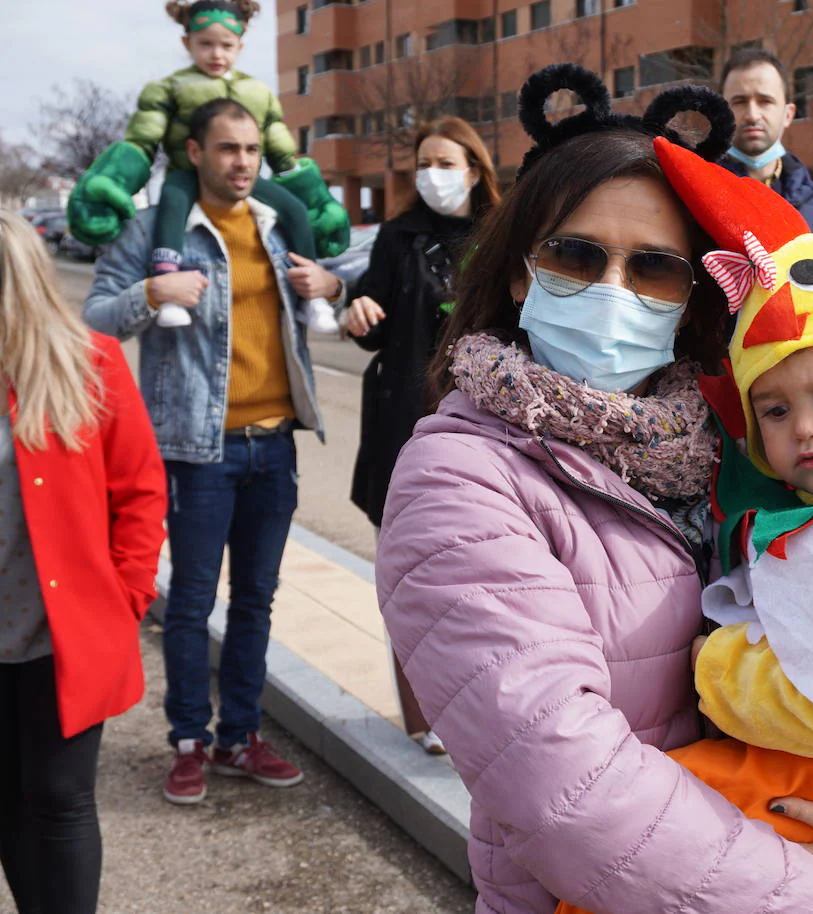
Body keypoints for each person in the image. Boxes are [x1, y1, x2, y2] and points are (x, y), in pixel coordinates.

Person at [376, 63, 813, 914]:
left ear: (691, 298)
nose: (613, 289)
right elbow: (576, 799)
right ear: (521, 273)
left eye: (654, 268)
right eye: (575, 254)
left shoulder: (756, 439)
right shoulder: (460, 479)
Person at [83, 97, 341, 806]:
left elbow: (329, 297)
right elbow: (94, 317)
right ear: (195, 153)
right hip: (199, 452)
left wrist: (333, 285)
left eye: (252, 150)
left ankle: (241, 737)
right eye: (228, 149)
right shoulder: (156, 229)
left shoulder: (276, 221)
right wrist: (149, 290)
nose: (242, 163)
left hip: (275, 447)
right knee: (193, 603)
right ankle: (189, 742)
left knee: (256, 600)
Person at [0, 210, 166, 913]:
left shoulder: (87, 362)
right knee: (6, 798)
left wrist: (123, 597)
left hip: (59, 636)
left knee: (62, 799)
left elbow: (141, 491)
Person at [338, 116, 501, 755]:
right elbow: (373, 320)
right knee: (409, 577)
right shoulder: (398, 235)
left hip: (484, 426)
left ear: (475, 168)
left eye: (446, 162)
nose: (433, 175)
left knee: (483, 576)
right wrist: (356, 311)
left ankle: (484, 712)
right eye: (423, 164)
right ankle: (425, 716)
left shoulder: (502, 235)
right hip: (400, 418)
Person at [66, 0, 347, 332]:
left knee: (295, 209)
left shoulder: (257, 93)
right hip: (184, 177)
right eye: (206, 44)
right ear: (187, 43)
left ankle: (311, 294)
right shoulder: (168, 90)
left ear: (240, 46)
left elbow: (281, 150)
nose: (217, 54)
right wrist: (112, 184)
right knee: (172, 205)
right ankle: (167, 280)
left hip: (245, 186)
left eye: (226, 46)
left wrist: (314, 201)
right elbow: (142, 141)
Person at [719, 48, 813, 239]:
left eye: (765, 101)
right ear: (721, 112)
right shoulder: (694, 192)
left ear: (788, 114)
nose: (752, 115)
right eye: (739, 102)